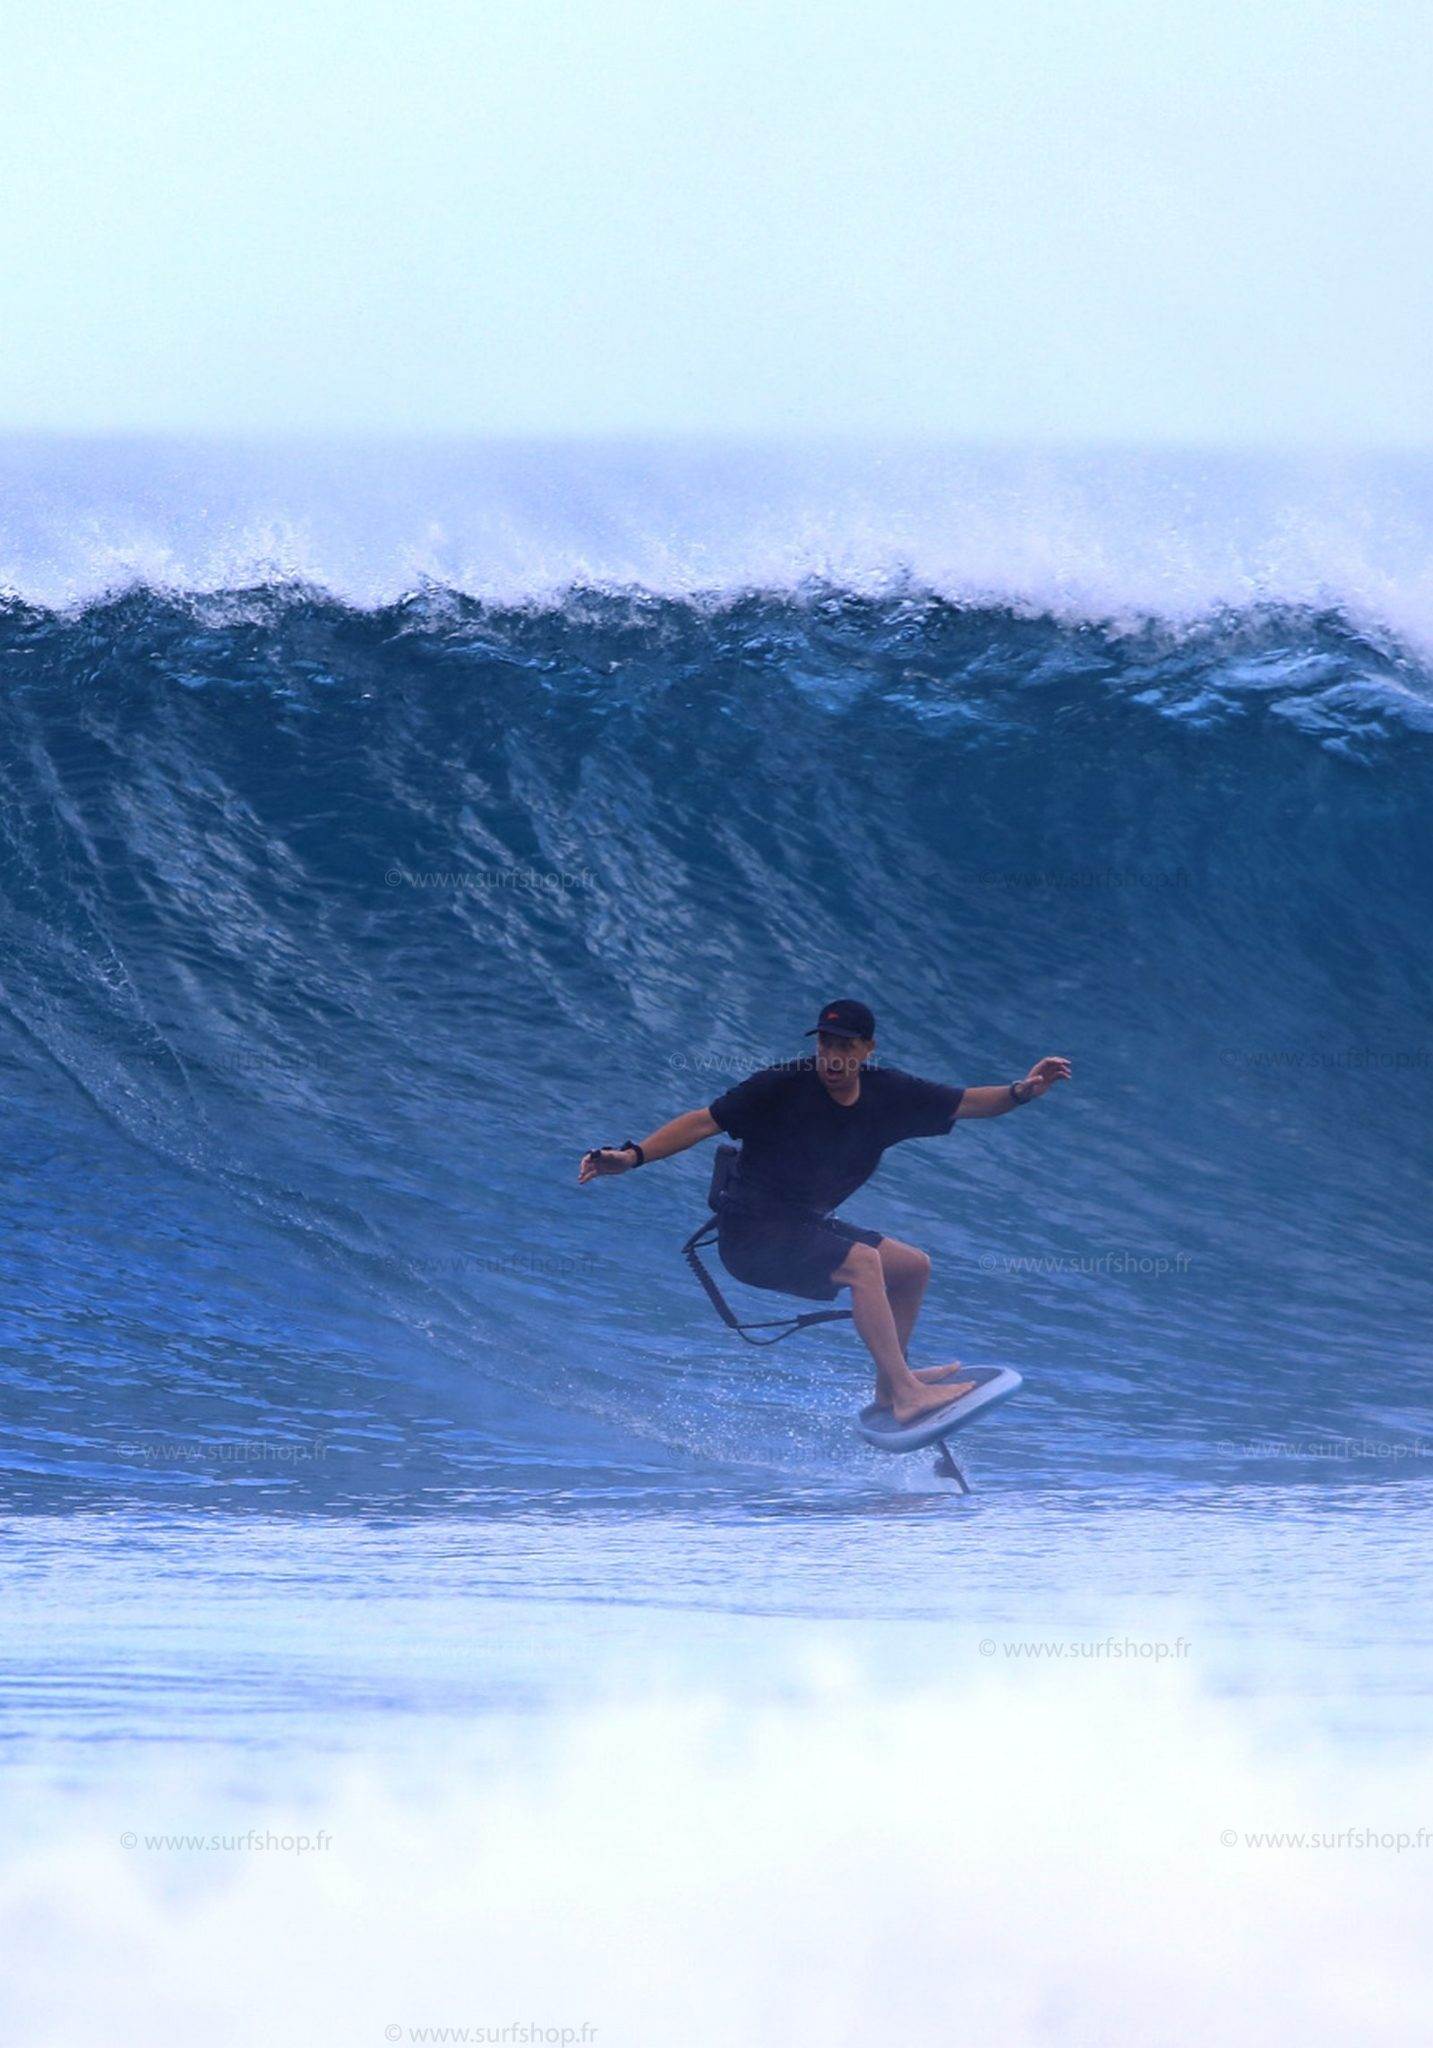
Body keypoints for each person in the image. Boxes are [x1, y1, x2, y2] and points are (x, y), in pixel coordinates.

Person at [578, 999, 1071, 1425]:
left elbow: (968, 1102)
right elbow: (702, 1123)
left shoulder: (888, 1094)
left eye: (845, 1047)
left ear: (868, 1049)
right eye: (825, 1044)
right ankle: (906, 1393)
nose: (832, 1057)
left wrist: (1022, 1091)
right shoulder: (781, 1086)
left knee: (912, 1267)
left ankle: (890, 1386)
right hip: (750, 1235)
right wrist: (632, 1156)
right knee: (864, 1263)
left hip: (802, 1224)